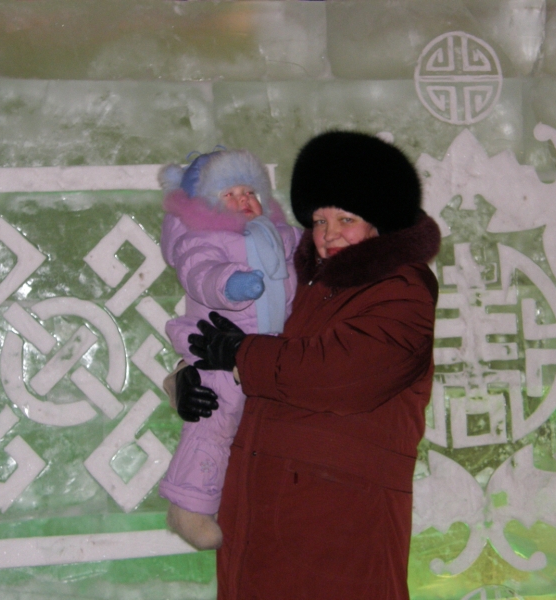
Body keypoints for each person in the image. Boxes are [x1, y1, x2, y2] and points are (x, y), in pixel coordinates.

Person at [182, 131, 442, 598]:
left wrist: (241, 354)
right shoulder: (306, 285)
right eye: (319, 220)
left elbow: (340, 373)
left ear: (380, 221)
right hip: (265, 510)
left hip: (339, 522)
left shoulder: (402, 290)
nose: (329, 233)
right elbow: (245, 335)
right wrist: (189, 381)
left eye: (346, 218)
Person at [157, 148, 300, 550]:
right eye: (230, 194)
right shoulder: (205, 238)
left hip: (265, 354)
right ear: (208, 204)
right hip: (218, 350)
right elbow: (200, 273)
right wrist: (230, 285)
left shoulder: (280, 236)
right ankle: (189, 506)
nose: (244, 200)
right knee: (213, 422)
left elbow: (303, 253)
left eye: (251, 192)